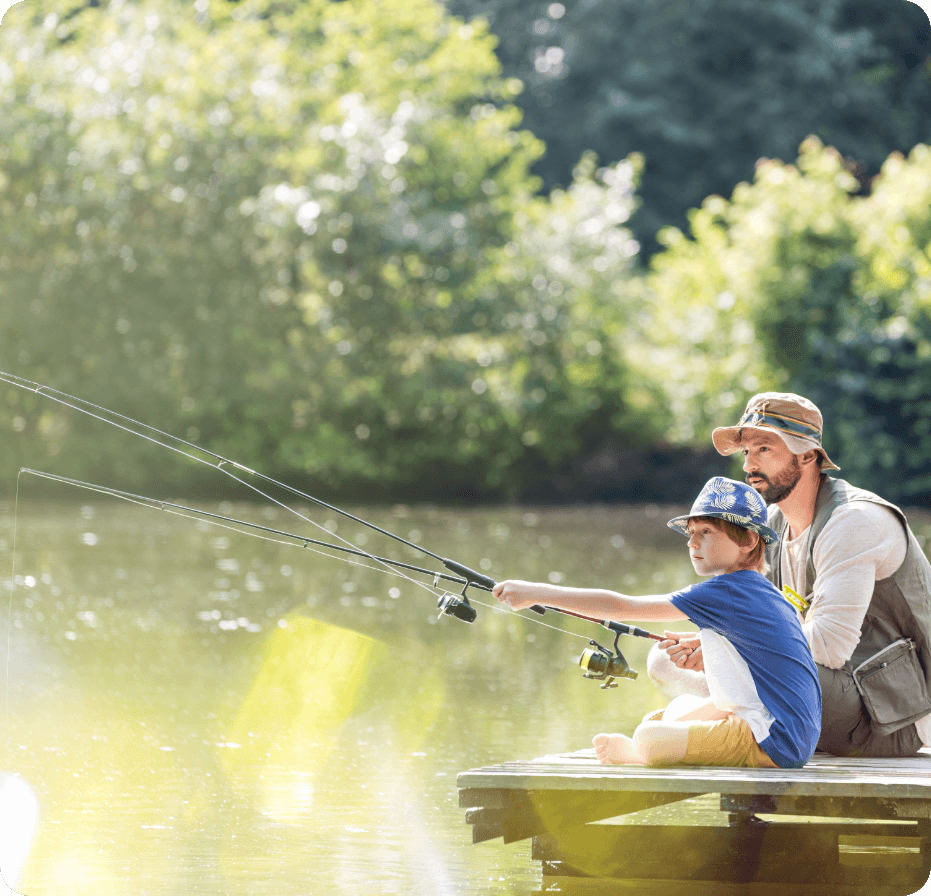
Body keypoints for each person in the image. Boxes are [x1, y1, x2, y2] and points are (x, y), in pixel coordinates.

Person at [652, 392, 931, 758]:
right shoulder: (772, 524)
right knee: (661, 660)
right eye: (746, 452)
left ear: (807, 454)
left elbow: (829, 647)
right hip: (831, 693)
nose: (750, 465)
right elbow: (764, 623)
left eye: (765, 449)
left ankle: (696, 726)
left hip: (896, 720)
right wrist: (716, 643)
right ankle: (711, 724)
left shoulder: (853, 522)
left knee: (730, 656)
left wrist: (729, 647)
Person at [493, 477, 821, 769]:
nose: (692, 543)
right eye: (691, 533)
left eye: (706, 532)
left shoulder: (726, 590)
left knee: (651, 735)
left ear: (749, 541)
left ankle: (638, 752)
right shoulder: (757, 589)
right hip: (784, 729)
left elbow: (621, 606)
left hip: (773, 741)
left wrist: (536, 592)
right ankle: (650, 743)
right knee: (673, 712)